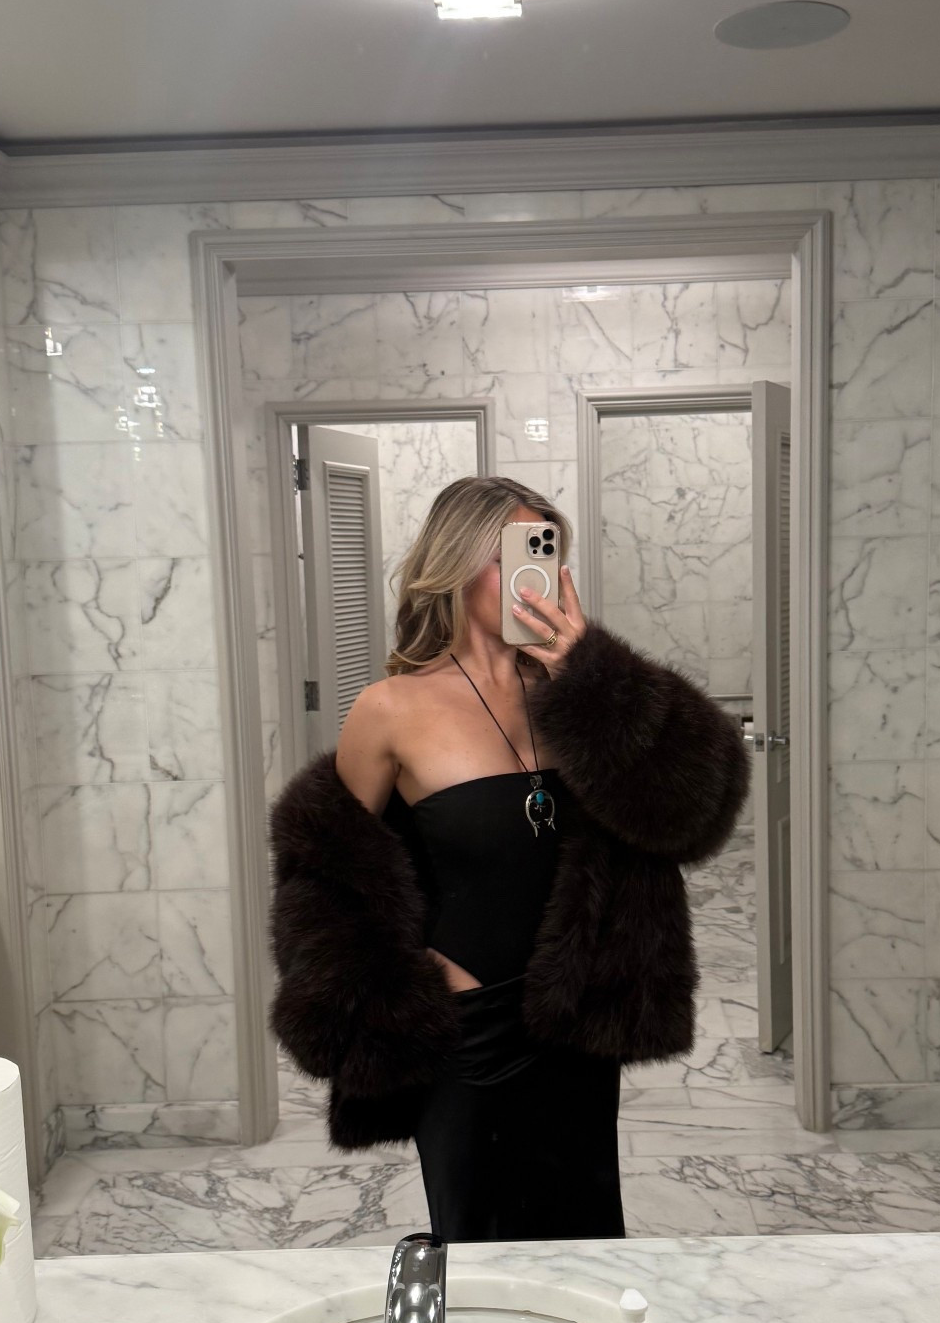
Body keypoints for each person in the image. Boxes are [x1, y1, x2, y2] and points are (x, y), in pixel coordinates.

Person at [268, 474, 750, 1242]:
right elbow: (325, 876)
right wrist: (402, 979)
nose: (538, 576)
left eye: (548, 554)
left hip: (574, 1015)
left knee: (585, 1238)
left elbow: (695, 807)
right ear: (457, 565)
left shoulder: (582, 694)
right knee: (480, 1243)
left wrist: (595, 677)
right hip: (467, 1028)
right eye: (516, 555)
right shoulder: (392, 710)